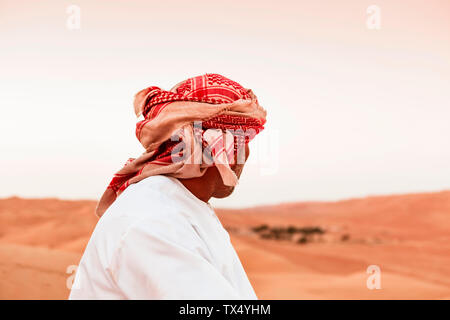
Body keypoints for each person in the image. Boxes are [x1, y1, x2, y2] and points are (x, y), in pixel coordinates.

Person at [69, 74, 267, 299]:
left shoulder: (177, 205)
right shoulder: (154, 220)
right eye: (244, 142)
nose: (247, 153)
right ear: (216, 149)